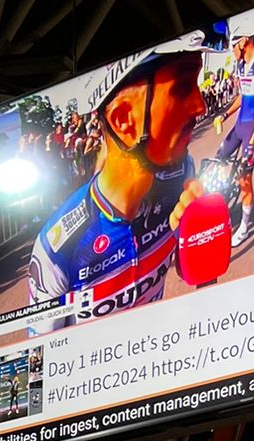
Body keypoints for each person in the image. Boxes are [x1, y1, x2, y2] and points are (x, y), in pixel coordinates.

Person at [26, 33, 212, 328]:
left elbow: (194, 275)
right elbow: (42, 354)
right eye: (182, 88)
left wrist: (202, 239)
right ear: (124, 120)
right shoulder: (57, 247)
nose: (201, 106)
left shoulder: (182, 177)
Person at [216, 28, 254, 249]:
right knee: (219, 157)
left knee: (245, 181)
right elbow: (242, 96)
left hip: (252, 128)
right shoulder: (241, 65)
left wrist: (253, 142)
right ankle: (223, 195)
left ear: (243, 42)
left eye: (233, 45)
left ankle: (244, 226)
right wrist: (224, 115)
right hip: (239, 125)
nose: (232, 50)